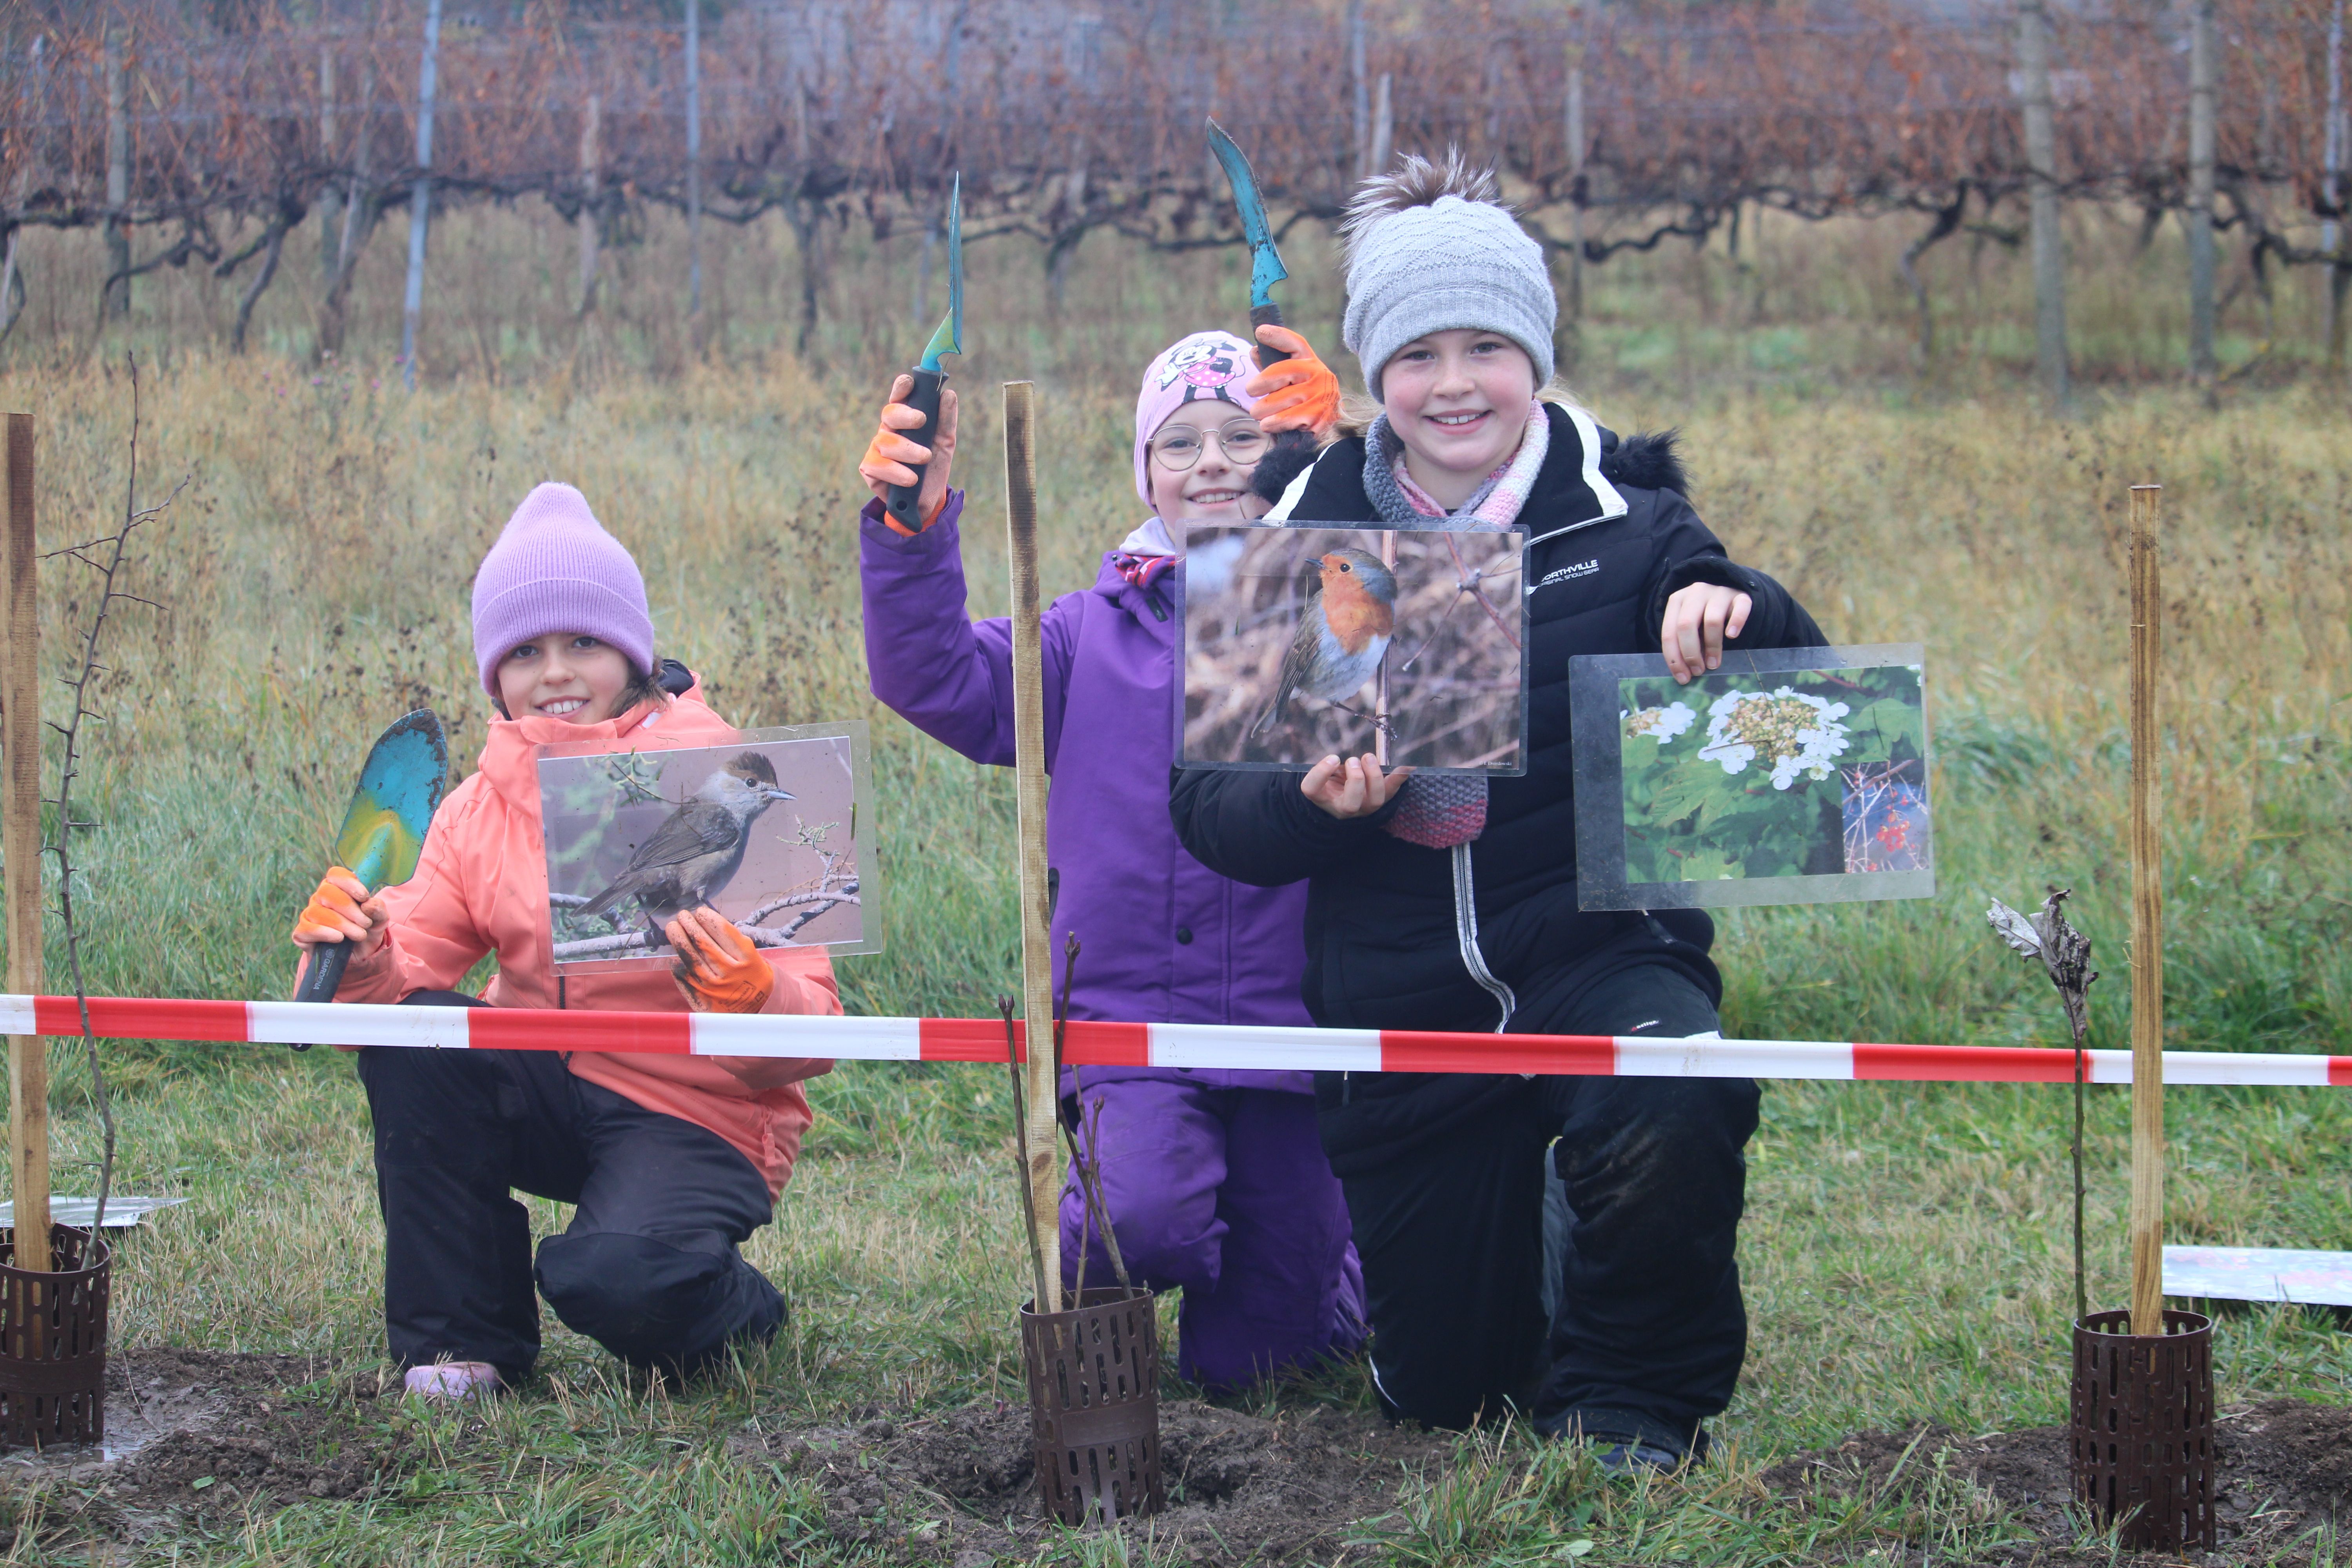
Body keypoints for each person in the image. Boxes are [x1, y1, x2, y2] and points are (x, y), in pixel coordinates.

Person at [1170, 152, 1828, 1467]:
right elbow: (1211, 812)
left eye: (1488, 346)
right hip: (1399, 995)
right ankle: (1531, 1233)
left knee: (1674, 1091)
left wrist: (1739, 614)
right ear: (1374, 376)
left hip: (1600, 957)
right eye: (1417, 353)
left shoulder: (1630, 523)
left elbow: (1807, 733)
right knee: (1443, 1399)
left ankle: (1630, 1401)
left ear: (1537, 355)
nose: (1455, 383)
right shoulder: (1302, 538)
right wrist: (1314, 807)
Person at [854, 326, 1365, 1392]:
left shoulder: (1336, 613)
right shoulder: (1085, 635)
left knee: (1256, 1365)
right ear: (1147, 474)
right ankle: (1121, 1256)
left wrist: (1342, 471)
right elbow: (934, 676)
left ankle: (1342, 1263)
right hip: (1131, 1022)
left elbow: (1460, 640)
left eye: (1243, 436)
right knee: (1140, 1216)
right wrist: (914, 530)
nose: (1213, 461)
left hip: (1294, 1025)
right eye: (1180, 444)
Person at [289, 482, 840, 1399]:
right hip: (547, 1083)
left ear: (633, 653)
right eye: (525, 651)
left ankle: (741, 1308)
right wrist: (360, 948)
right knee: (419, 1039)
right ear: (493, 674)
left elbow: (816, 1024)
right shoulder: (475, 808)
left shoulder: (726, 773)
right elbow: (395, 994)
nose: (555, 672)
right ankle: (463, 1347)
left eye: (584, 642)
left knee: (613, 1282)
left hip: (695, 1111)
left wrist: (756, 999)